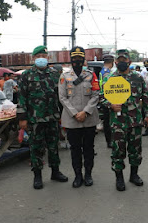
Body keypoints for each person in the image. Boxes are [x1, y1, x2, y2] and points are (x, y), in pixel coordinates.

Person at [17, 45, 68, 189]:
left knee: (54, 146)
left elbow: (61, 97)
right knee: (36, 147)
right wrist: (22, 118)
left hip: (52, 117)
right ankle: (37, 176)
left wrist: (62, 115)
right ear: (33, 58)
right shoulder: (26, 75)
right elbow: (21, 97)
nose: (41, 59)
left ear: (47, 58)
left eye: (44, 56)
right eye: (38, 56)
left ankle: (55, 172)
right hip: (35, 119)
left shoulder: (54, 74)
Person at [101, 49, 148, 191]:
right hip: (118, 122)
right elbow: (101, 96)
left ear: (129, 61)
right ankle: (119, 178)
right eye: (120, 60)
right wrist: (110, 105)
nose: (122, 62)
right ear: (115, 62)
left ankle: (134, 175)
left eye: (124, 60)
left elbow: (145, 97)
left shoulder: (137, 77)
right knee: (118, 151)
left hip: (135, 120)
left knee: (135, 150)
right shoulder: (110, 78)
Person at [58, 46, 100, 188]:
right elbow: (62, 98)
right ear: (71, 59)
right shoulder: (64, 76)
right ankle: (77, 176)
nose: (77, 60)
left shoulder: (91, 75)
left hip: (89, 119)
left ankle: (88, 174)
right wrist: (75, 113)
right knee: (75, 150)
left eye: (79, 57)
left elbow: (96, 95)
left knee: (89, 148)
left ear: (83, 58)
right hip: (72, 120)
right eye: (74, 58)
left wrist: (86, 111)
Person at [99, 54, 115, 148]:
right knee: (108, 122)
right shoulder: (107, 72)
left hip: (104, 98)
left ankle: (109, 140)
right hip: (107, 99)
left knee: (107, 121)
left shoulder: (103, 70)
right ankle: (109, 141)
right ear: (112, 62)